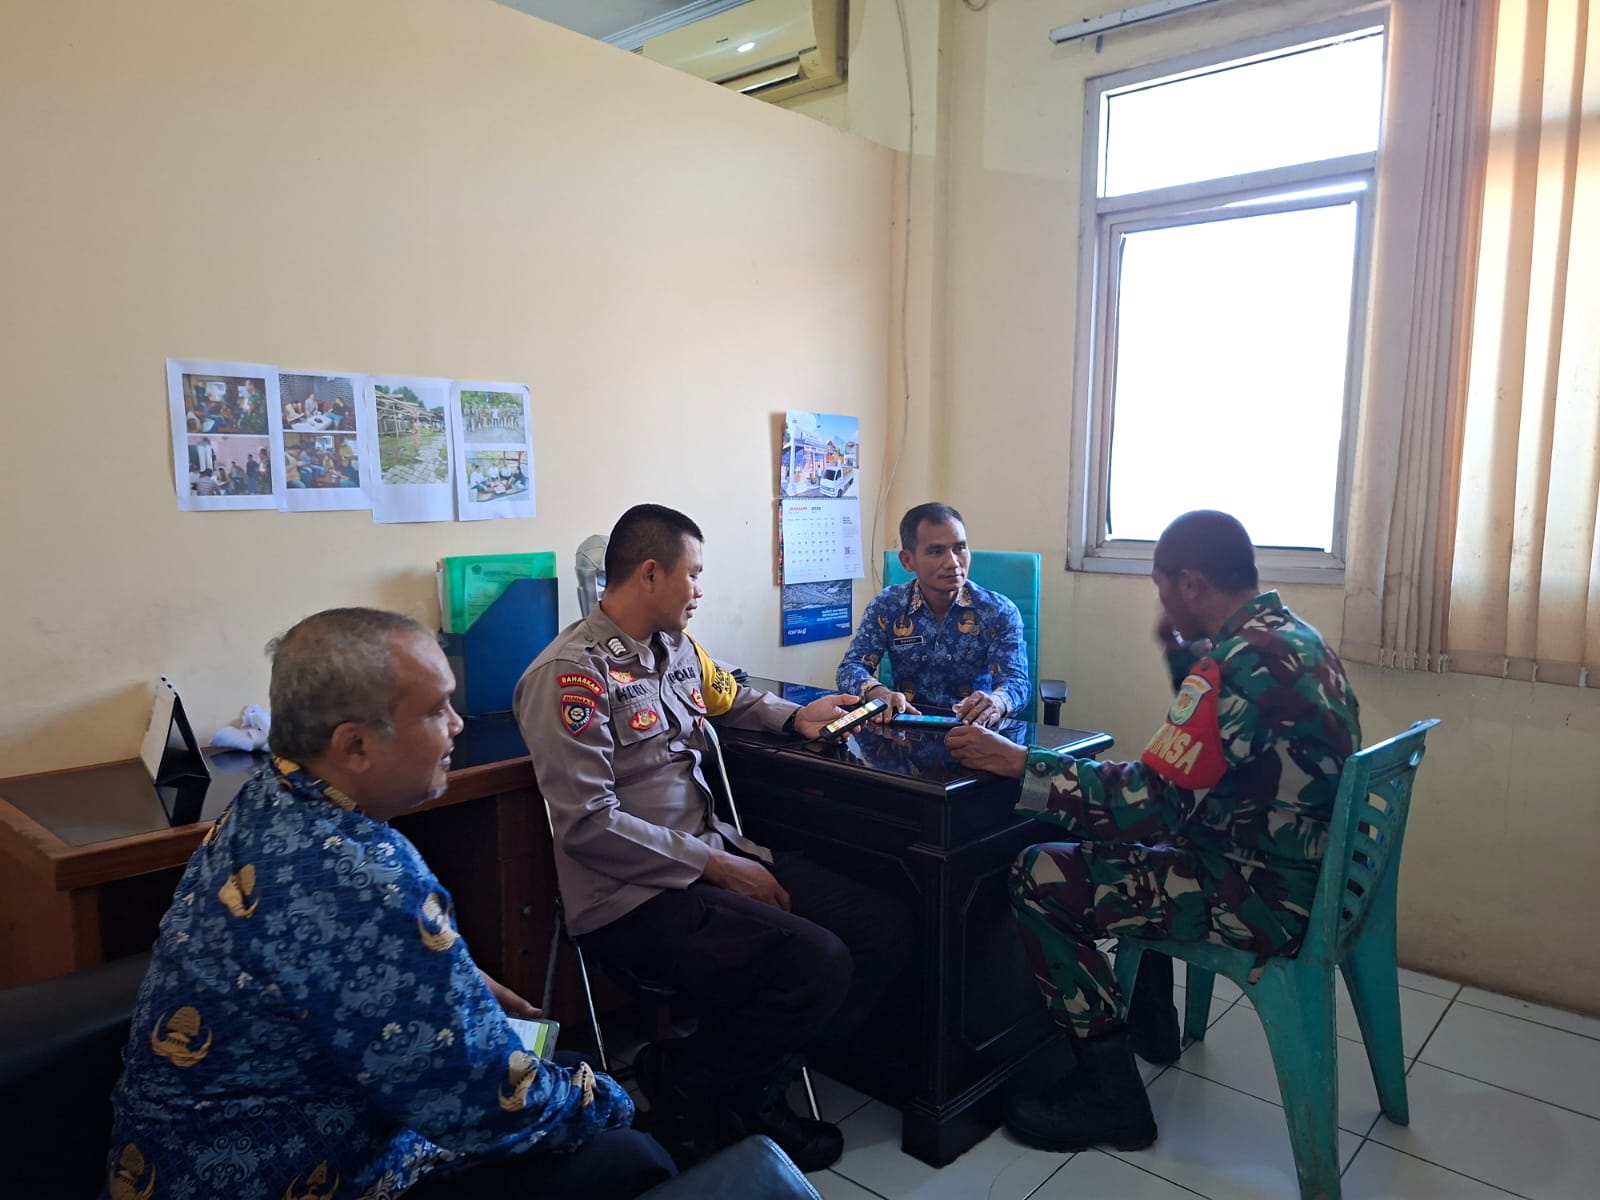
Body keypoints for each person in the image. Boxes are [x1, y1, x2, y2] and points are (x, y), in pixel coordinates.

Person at [102, 609, 672, 1200]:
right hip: (296, 1172)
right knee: (628, 1152)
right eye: (436, 710)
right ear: (354, 746)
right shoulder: (366, 877)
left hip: (170, 1163)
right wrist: (615, 1101)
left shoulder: (269, 799)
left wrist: (450, 974)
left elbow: (333, 955)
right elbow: (482, 1104)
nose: (457, 725)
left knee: (554, 1066)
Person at [945, 510, 1362, 1153]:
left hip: (1258, 893)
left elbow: (1147, 805)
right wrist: (1180, 654)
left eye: (1162, 586)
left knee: (1040, 872)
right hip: (1304, 869)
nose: (1161, 600)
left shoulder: (1233, 666)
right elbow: (1217, 754)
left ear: (1191, 583)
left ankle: (1110, 1095)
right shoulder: (1292, 638)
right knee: (1121, 846)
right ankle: (1152, 1022)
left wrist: (1022, 764)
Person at [514, 504, 913, 1173]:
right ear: (650, 573)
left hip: (712, 856)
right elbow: (587, 825)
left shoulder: (673, 648)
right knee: (817, 961)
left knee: (883, 928)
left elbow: (732, 695)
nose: (700, 590)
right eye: (693, 574)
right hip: (629, 898)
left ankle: (736, 1082)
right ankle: (696, 1082)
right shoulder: (569, 674)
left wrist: (797, 718)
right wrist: (718, 867)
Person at [836, 502, 1030, 727]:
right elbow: (850, 668)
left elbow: (1016, 682)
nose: (953, 562)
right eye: (936, 551)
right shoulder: (887, 606)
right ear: (907, 560)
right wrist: (878, 692)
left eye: (960, 548)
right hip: (905, 728)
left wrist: (997, 701)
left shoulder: (998, 611)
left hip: (973, 730)